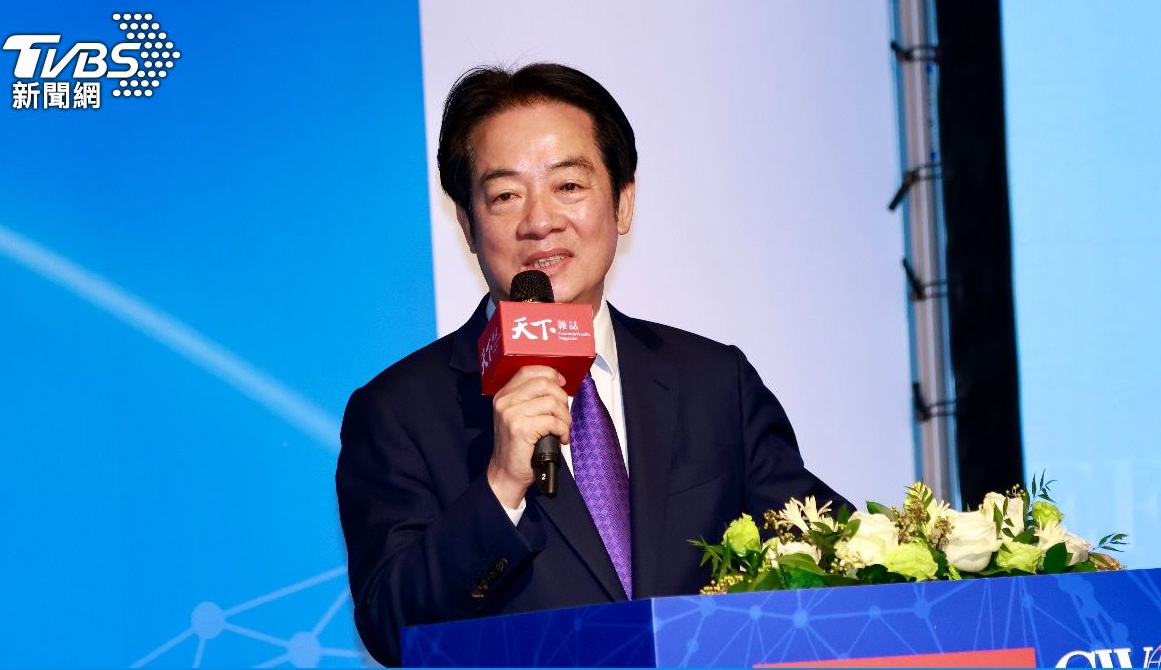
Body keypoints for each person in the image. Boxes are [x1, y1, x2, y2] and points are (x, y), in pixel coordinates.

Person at [336, 62, 847, 667]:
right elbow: (392, 628)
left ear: (623, 203)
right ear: (468, 227)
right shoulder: (397, 412)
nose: (539, 221)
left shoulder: (713, 382)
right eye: (505, 195)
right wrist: (501, 488)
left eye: (569, 186)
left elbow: (833, 555)